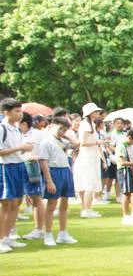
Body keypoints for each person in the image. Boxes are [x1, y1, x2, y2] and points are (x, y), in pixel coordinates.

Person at [34, 117, 78, 245]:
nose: (62, 132)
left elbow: (77, 144)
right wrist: (49, 181)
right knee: (52, 205)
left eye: (64, 130)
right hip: (54, 172)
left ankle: (63, 233)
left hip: (65, 170)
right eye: (60, 129)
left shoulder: (62, 141)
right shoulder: (46, 142)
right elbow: (43, 161)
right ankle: (48, 234)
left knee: (64, 204)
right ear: (52, 125)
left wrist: (67, 136)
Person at [0, 99, 36, 252]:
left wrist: (24, 149)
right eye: (16, 111)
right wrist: (20, 147)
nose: (19, 114)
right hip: (6, 167)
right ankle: (1, 239)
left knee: (16, 204)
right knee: (6, 204)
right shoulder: (2, 128)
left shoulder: (16, 129)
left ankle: (8, 236)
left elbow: (16, 149)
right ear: (6, 112)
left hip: (18, 166)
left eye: (20, 111)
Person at [74, 103, 107, 217]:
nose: (98, 114)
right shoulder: (86, 125)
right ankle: (86, 209)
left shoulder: (90, 124)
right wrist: (98, 142)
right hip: (87, 157)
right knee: (88, 184)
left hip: (91, 156)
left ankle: (86, 208)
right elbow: (83, 143)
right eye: (96, 112)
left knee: (86, 184)